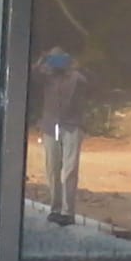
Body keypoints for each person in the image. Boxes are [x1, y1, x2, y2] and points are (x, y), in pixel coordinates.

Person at [33, 47, 87, 225]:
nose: (57, 63)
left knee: (70, 168)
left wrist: (74, 66)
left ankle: (68, 212)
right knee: (52, 167)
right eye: (54, 59)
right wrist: (42, 60)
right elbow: (32, 76)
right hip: (52, 126)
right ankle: (55, 208)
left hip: (71, 125)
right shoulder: (46, 76)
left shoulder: (76, 77)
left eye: (60, 59)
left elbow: (91, 84)